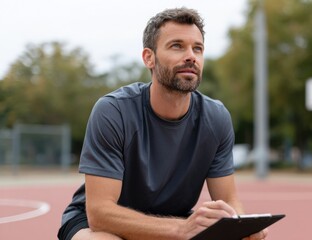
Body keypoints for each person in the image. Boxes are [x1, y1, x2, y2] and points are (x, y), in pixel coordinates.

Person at [57, 7, 268, 240]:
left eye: (197, 48)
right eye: (177, 45)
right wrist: (181, 230)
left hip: (174, 222)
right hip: (99, 225)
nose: (191, 56)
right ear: (149, 57)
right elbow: (100, 214)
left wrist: (242, 226)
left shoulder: (216, 118)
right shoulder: (113, 111)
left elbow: (229, 201)